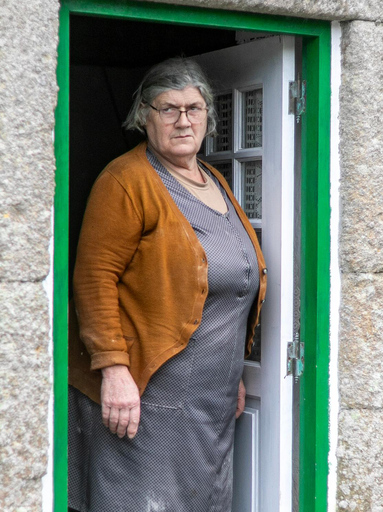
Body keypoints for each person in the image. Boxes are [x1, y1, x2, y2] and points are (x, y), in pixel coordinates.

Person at [67, 57, 267, 512]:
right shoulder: (126, 181)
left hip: (210, 403)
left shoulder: (214, 179)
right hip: (147, 397)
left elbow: (230, 288)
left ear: (208, 118)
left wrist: (234, 371)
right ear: (144, 116)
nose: (183, 120)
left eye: (194, 108)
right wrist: (115, 372)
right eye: (168, 108)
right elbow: (94, 279)